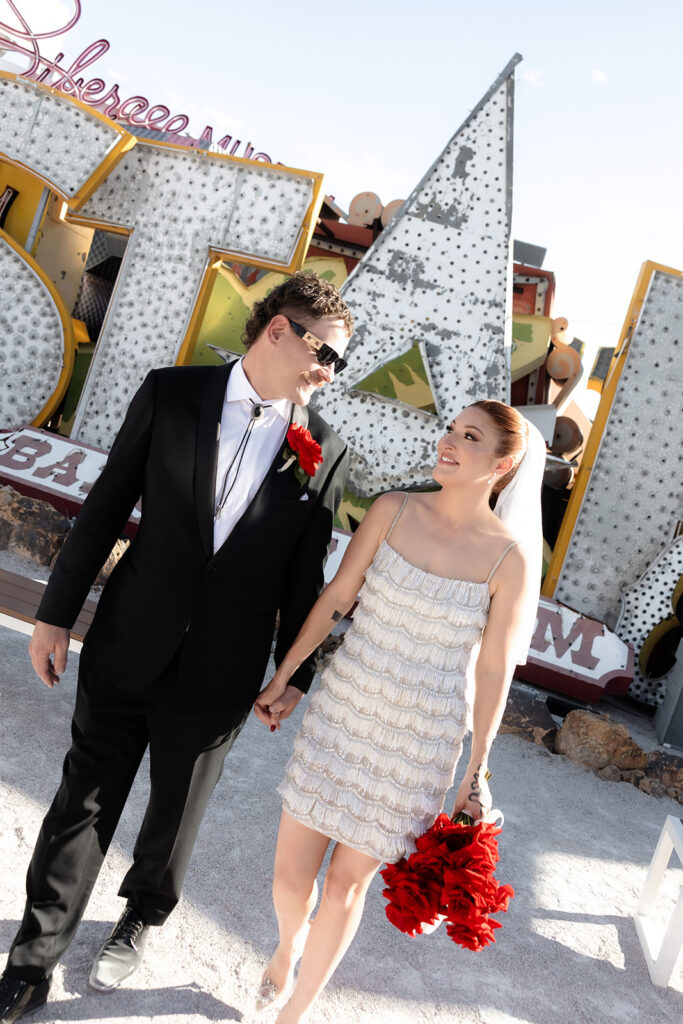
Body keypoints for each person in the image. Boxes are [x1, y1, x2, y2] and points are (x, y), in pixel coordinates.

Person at [0, 271, 353, 1024]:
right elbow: (105, 509)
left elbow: (305, 578)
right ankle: (31, 963)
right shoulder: (171, 393)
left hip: (223, 669)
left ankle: (143, 914)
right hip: (129, 639)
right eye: (328, 354)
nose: (331, 373)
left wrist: (295, 674)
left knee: (174, 812)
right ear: (279, 331)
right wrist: (56, 615)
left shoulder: (321, 450)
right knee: (81, 802)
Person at [253, 400, 545, 1024]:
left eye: (470, 437)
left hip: (421, 740)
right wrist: (285, 674)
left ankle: (297, 1009)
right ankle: (286, 946)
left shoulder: (509, 559)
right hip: (344, 711)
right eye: (450, 430)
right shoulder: (393, 509)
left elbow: (494, 670)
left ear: (504, 463)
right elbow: (338, 596)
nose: (449, 442)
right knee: (288, 881)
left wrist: (478, 769)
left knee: (344, 887)